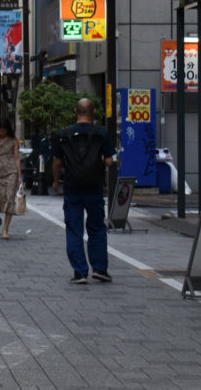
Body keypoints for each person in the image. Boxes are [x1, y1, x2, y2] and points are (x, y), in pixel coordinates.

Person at [52, 98, 116, 284]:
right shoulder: (101, 133)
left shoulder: (64, 134)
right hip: (94, 187)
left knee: (74, 229)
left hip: (72, 187)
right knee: (96, 228)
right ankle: (100, 269)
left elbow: (57, 161)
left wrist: (56, 182)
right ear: (93, 112)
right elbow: (110, 161)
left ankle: (80, 272)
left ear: (75, 111)